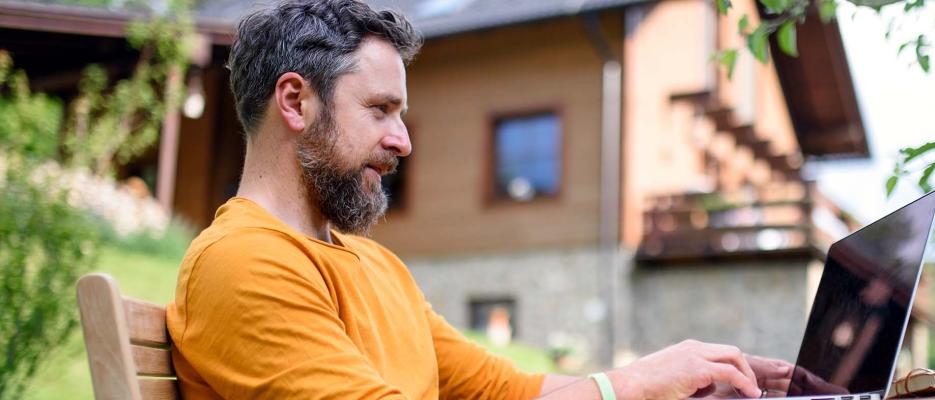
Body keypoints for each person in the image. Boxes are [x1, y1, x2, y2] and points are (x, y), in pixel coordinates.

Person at [164, 1, 795, 398]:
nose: (403, 140)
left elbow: (510, 390)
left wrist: (668, 384)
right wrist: (628, 383)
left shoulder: (376, 268)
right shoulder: (241, 263)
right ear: (296, 102)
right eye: (380, 110)